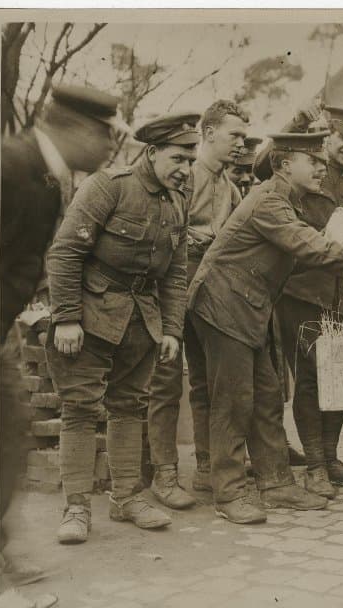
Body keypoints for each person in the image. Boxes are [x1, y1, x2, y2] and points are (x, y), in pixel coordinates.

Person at [186, 131, 343, 524]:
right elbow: (314, 250)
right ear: (283, 165)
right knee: (234, 399)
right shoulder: (269, 202)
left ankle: (276, 484)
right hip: (223, 303)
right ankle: (227, 493)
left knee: (265, 394)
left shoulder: (286, 200)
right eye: (311, 161)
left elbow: (312, 251)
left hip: (247, 305)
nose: (320, 167)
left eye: (320, 161)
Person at [46, 112, 199, 544]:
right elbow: (64, 254)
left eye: (191, 161)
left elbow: (175, 272)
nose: (186, 169)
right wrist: (67, 318)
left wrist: (171, 329)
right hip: (90, 316)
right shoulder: (107, 187)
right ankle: (76, 506)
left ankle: (126, 497)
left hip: (141, 320)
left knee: (129, 407)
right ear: (150, 153)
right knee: (79, 409)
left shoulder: (178, 200)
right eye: (178, 159)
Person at [0, 83, 122, 608]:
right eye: (106, 136)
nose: (109, 149)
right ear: (79, 129)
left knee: (6, 436)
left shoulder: (47, 175)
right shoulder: (9, 165)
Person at [146, 101, 246, 509]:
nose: (240, 144)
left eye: (243, 137)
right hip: (169, 284)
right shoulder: (183, 175)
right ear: (208, 133)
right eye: (233, 136)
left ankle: (206, 468)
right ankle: (163, 474)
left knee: (206, 379)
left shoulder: (231, 187)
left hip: (209, 288)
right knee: (165, 381)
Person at [276, 106, 343, 495]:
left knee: (337, 376)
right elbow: (261, 166)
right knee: (309, 379)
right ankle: (315, 465)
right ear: (328, 135)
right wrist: (297, 120)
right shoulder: (303, 171)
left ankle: (330, 456)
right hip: (303, 291)